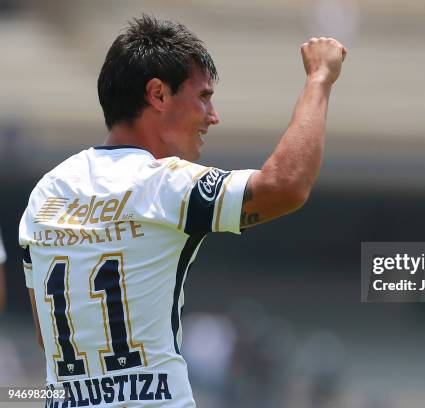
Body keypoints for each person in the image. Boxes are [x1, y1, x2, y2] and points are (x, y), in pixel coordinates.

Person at [18, 15, 346, 407]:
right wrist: (319, 80)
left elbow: (47, 334)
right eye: (203, 97)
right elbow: (286, 185)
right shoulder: (165, 182)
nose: (213, 116)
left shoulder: (47, 192)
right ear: (158, 94)